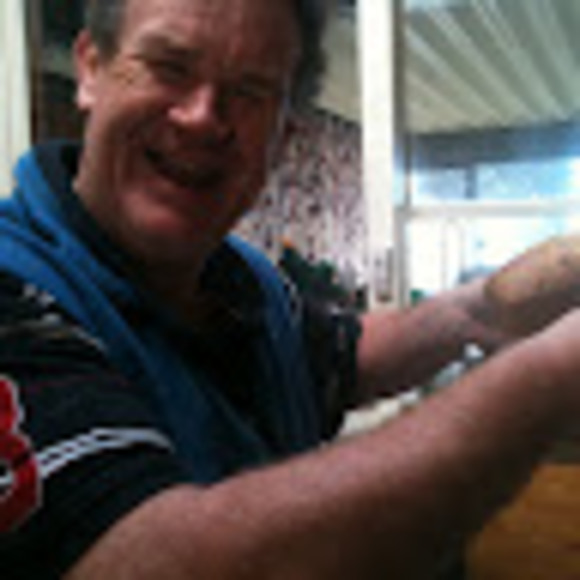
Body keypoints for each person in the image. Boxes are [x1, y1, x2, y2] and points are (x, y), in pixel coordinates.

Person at [1, 0, 580, 578]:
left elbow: (343, 353)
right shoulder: (13, 290)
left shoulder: (244, 280)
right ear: (90, 68)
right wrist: (549, 375)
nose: (202, 117)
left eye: (250, 91)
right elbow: (147, 559)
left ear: (282, 134)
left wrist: (482, 310)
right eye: (168, 66)